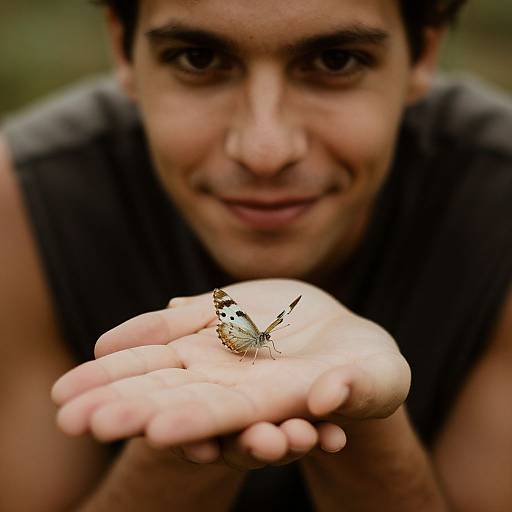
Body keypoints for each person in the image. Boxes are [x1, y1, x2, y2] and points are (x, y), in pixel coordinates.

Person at [1, 0, 512, 510]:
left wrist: (358, 415)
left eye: (336, 60)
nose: (264, 151)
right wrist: (184, 438)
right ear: (123, 50)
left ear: (424, 53)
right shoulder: (21, 203)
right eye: (197, 58)